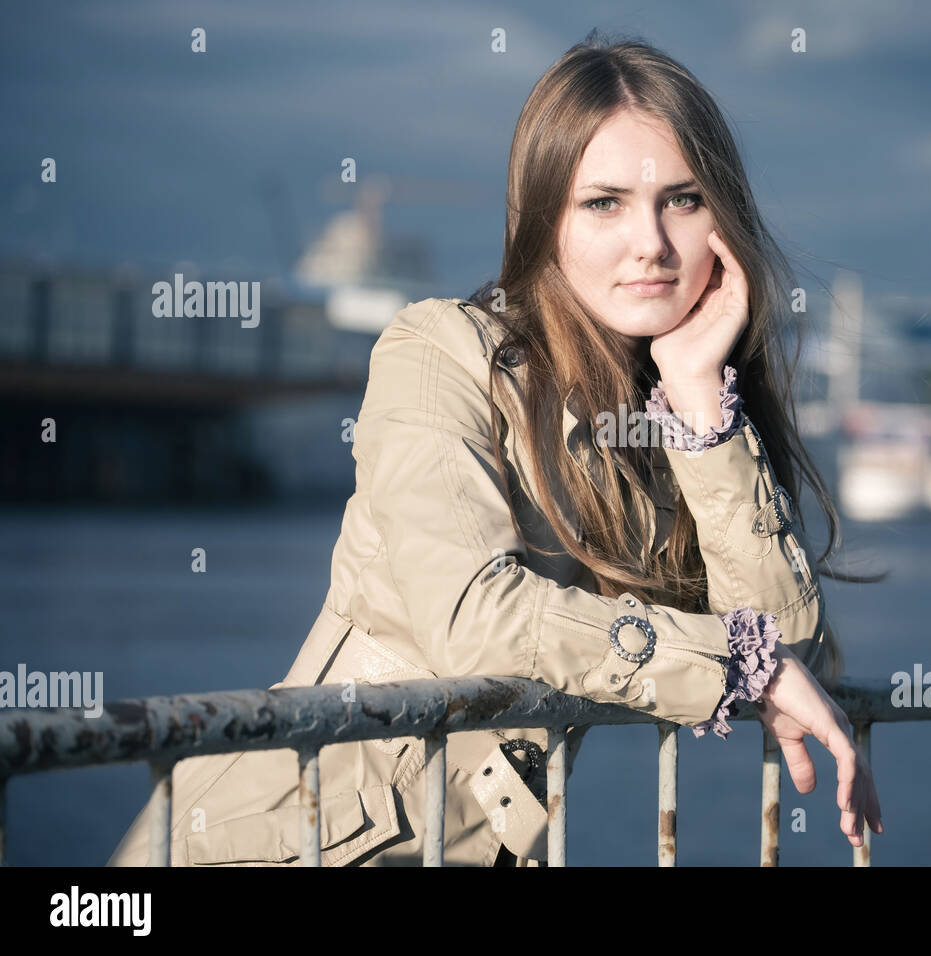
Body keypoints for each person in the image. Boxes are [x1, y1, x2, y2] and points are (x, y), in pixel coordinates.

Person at [108, 30, 884, 868]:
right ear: (544, 220)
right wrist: (735, 668)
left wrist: (700, 400)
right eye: (605, 203)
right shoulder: (440, 353)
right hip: (289, 848)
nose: (651, 243)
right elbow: (469, 617)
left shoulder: (674, 425)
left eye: (684, 200)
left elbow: (782, 649)